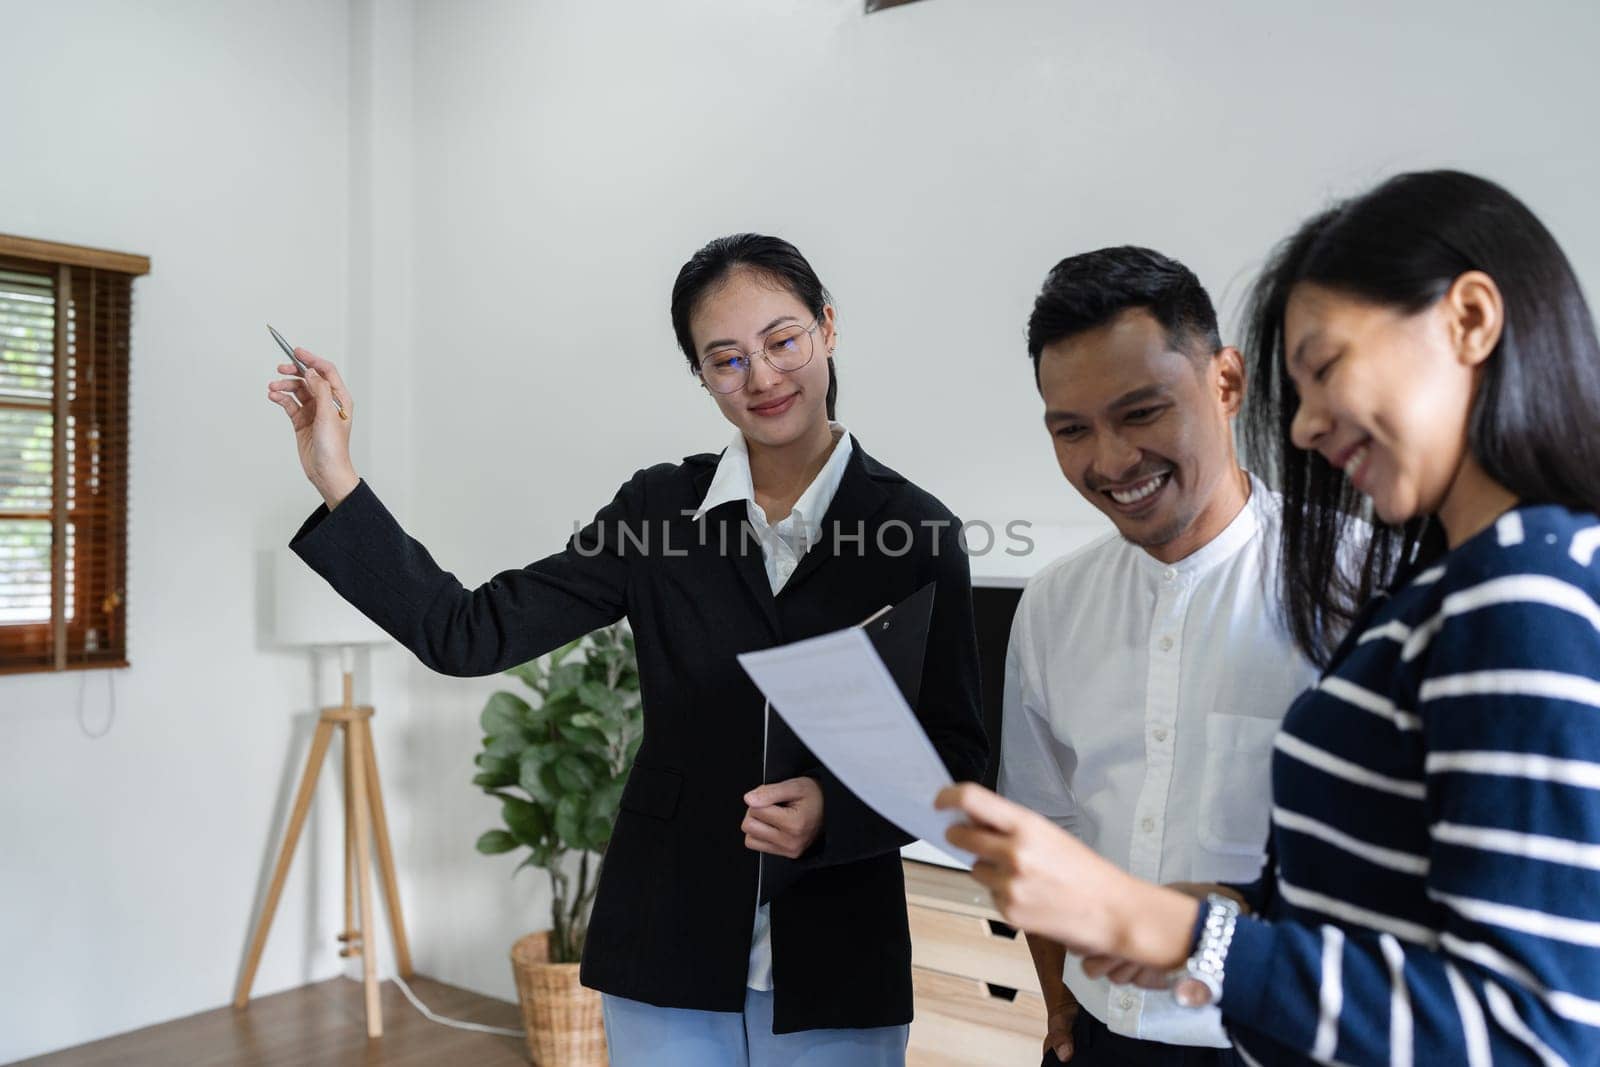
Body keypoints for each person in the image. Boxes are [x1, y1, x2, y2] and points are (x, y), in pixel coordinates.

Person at [265, 233, 988, 1067]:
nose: (761, 377)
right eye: (725, 359)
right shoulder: (657, 512)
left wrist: (835, 814)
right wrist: (338, 479)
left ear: (827, 327)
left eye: (782, 340)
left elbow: (961, 761)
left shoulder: (919, 533)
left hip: (838, 958)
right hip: (667, 947)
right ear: (701, 375)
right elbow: (467, 631)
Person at [937, 170, 1600, 1065]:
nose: (1306, 426)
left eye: (1325, 369)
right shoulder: (1468, 582)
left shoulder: (1505, 593)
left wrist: (1179, 929)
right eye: (1072, 429)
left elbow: (1532, 1023)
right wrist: (1238, 908)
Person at [1000, 246, 1317, 1065]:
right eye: (1072, 430)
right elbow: (1045, 827)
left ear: (1226, 382)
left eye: (1142, 412)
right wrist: (1061, 1006)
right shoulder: (1053, 605)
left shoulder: (1345, 588)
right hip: (1099, 1036)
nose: (1109, 461)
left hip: (1274, 1039)